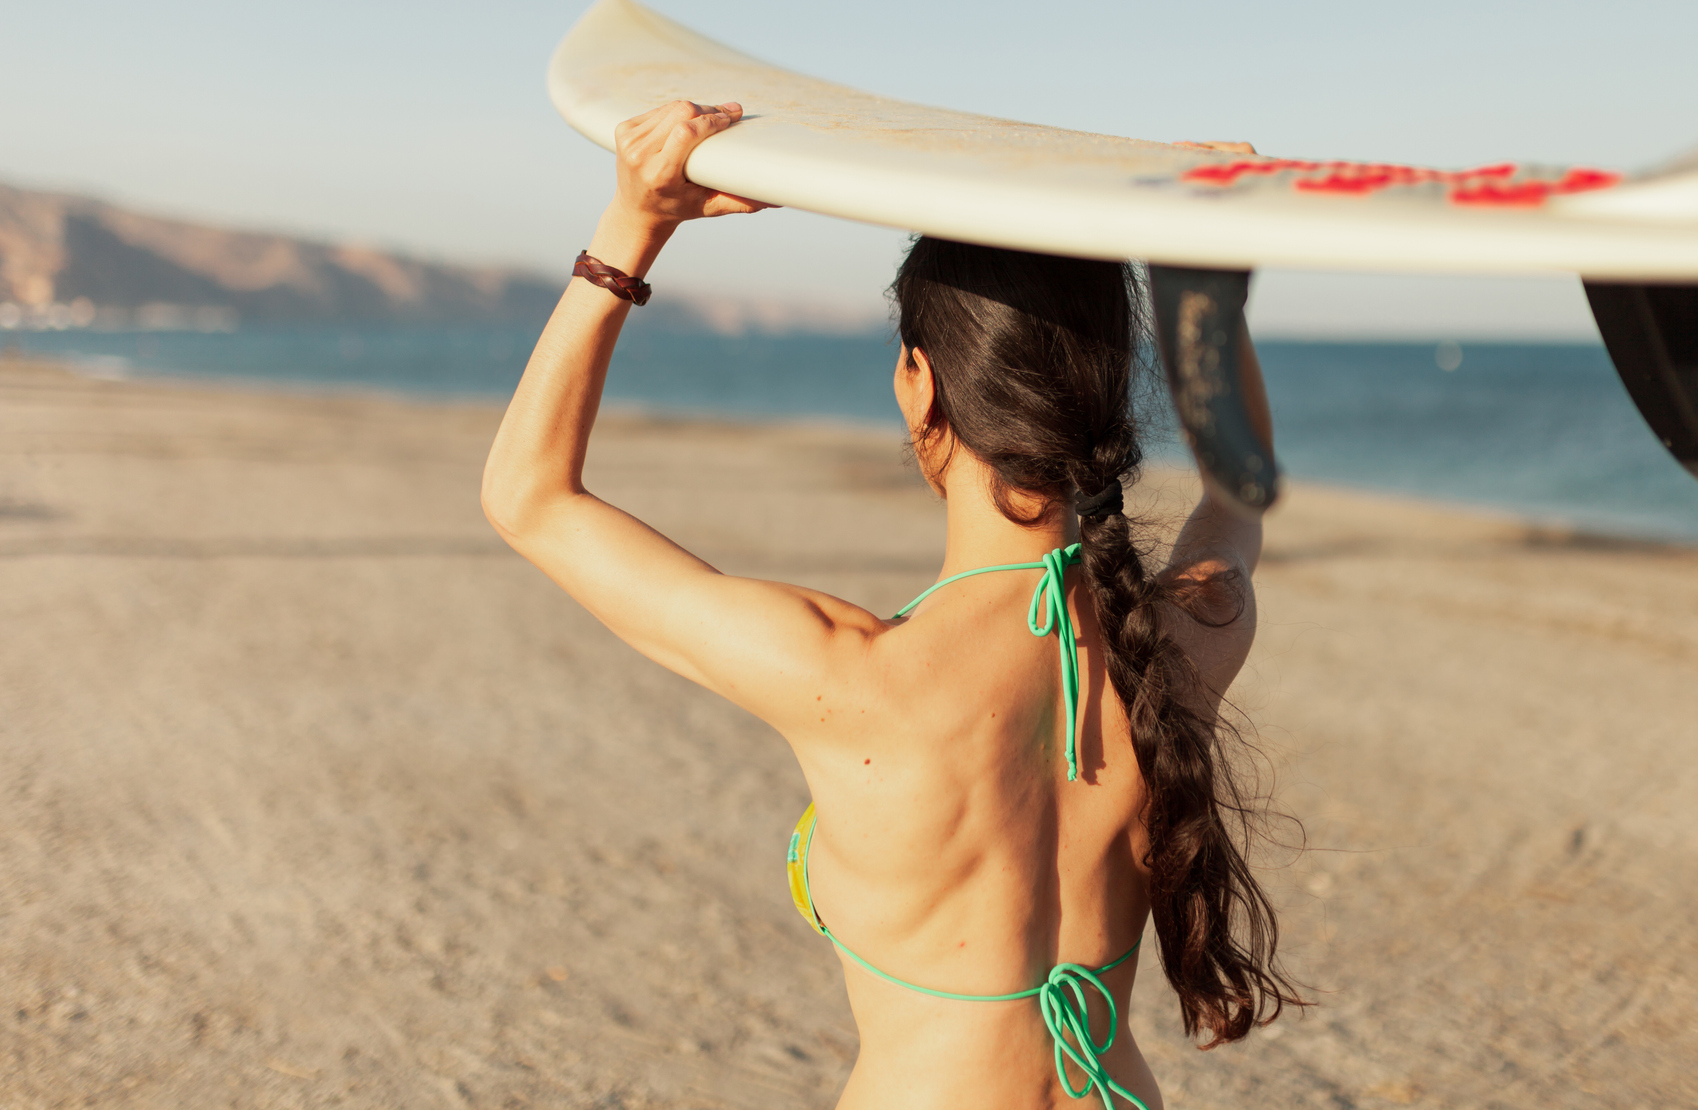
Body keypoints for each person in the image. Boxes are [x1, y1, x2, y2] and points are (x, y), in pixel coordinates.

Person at [482, 100, 1301, 1110]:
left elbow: (527, 494)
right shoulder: (1181, 638)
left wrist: (634, 226)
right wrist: (1206, 289)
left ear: (921, 389)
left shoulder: (845, 671)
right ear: (1107, 404)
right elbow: (1237, 493)